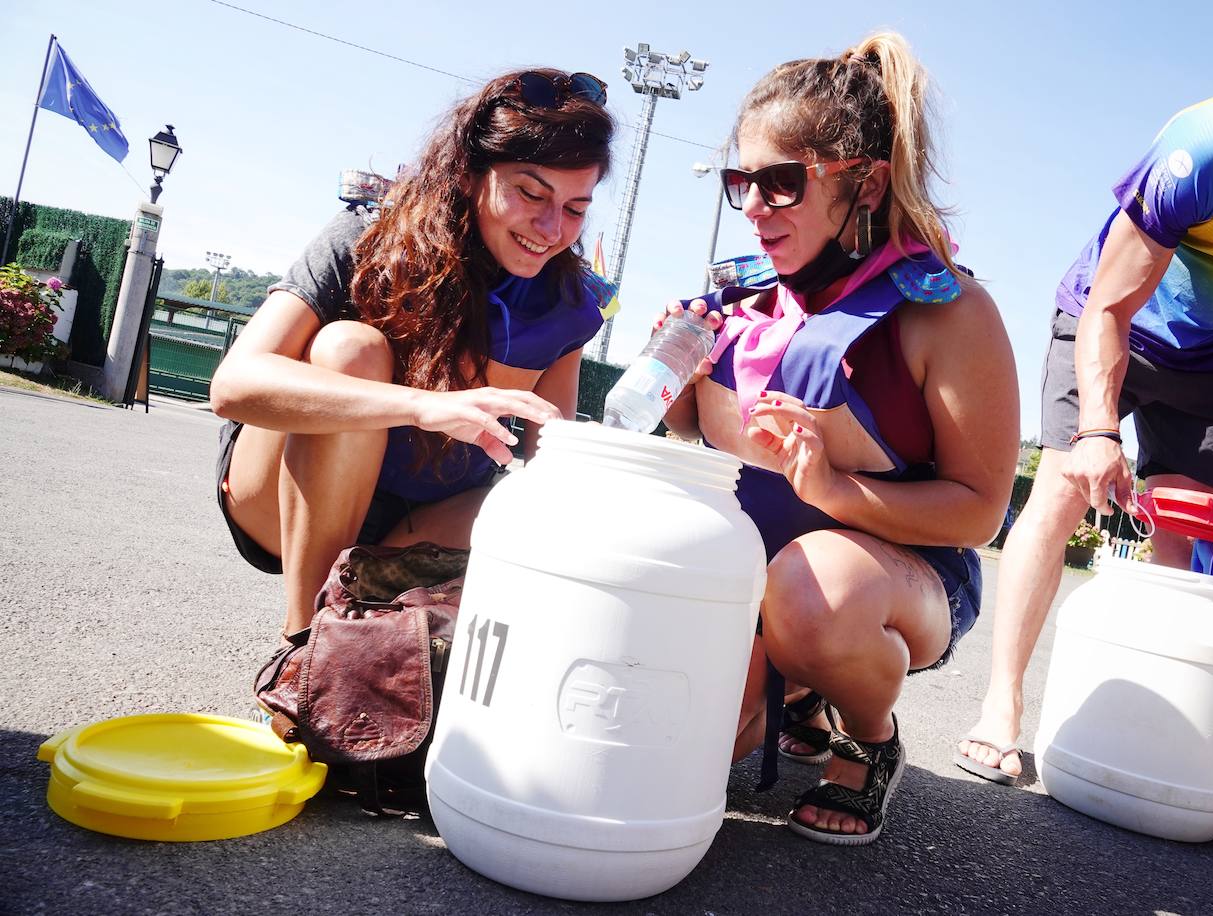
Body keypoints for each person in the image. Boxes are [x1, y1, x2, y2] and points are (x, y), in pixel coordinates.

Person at [955, 21, 1213, 847]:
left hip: (1209, 355)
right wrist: (1102, 432)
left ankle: (1188, 754)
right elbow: (1112, 304)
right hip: (1108, 314)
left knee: (1187, 534)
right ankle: (1001, 705)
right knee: (1073, 480)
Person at [658, 32, 1018, 845]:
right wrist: (679, 392)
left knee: (816, 597)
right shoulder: (737, 300)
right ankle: (799, 695)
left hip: (890, 584)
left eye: (781, 183)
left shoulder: (948, 312)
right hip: (753, 580)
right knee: (688, 749)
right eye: (740, 182)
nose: (753, 206)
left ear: (866, 184)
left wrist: (833, 491)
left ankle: (868, 739)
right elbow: (696, 435)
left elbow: (978, 512)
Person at [210, 69, 616, 638]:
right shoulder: (368, 235)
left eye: (576, 208)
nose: (551, 228)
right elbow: (234, 386)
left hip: (406, 529)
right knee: (351, 348)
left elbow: (549, 467)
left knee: (534, 515)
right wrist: (418, 406)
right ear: (473, 172)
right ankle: (303, 652)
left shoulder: (569, 306)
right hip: (277, 501)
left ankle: (405, 661)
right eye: (530, 192)